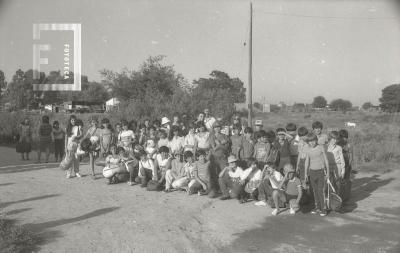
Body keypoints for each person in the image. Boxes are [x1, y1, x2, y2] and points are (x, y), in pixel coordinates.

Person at [305, 133, 330, 217]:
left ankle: (324, 209)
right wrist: (305, 173)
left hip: (321, 171)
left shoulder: (321, 147)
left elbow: (326, 160)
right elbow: (307, 161)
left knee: (321, 190)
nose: (312, 143)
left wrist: (328, 172)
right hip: (312, 172)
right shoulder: (308, 149)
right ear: (308, 142)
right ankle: (317, 207)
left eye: (313, 141)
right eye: (310, 141)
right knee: (315, 191)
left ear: (316, 140)